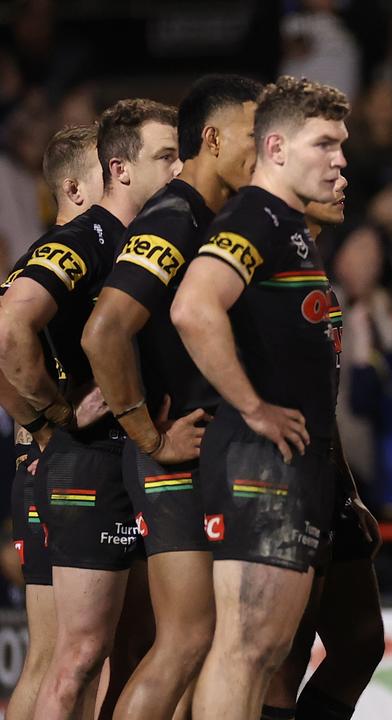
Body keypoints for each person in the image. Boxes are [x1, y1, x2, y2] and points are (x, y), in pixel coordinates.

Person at [78, 74, 261, 720]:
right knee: (183, 641)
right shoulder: (176, 216)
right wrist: (147, 434)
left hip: (201, 456)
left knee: (198, 642)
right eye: (252, 135)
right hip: (171, 455)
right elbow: (103, 331)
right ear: (211, 140)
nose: (264, 148)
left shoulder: (214, 218)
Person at [170, 76, 349, 720]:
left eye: (342, 146)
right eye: (324, 143)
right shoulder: (258, 215)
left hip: (283, 463)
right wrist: (252, 406)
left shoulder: (286, 224)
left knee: (263, 650)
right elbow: (194, 306)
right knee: (246, 649)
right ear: (275, 145)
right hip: (259, 461)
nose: (339, 159)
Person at [0, 99, 181, 720]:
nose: (179, 167)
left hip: (135, 458)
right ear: (117, 169)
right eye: (166, 155)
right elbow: (5, 332)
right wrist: (50, 418)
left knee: (129, 649)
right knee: (74, 657)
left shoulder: (153, 240)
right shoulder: (82, 239)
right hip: (88, 460)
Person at [263, 173, 386, 720]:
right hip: (277, 477)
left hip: (325, 475)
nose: (342, 177)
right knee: (282, 661)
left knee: (361, 642)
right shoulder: (262, 265)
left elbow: (322, 404)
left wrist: (347, 488)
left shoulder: (318, 273)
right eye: (327, 163)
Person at [0, 122, 103, 720]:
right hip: (64, 467)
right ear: (74, 186)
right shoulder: (67, 254)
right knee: (76, 654)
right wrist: (54, 419)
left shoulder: (41, 259)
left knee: (59, 655)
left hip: (41, 468)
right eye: (106, 166)